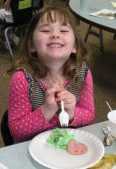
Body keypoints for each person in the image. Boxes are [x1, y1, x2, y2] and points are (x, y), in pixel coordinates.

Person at [7, 6, 95, 142]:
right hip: (33, 149)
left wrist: (72, 113)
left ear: (75, 46)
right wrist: (47, 110)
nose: (55, 34)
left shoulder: (82, 73)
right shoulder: (22, 79)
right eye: (46, 30)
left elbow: (89, 115)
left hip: (68, 145)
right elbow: (17, 131)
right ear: (31, 45)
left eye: (64, 30)